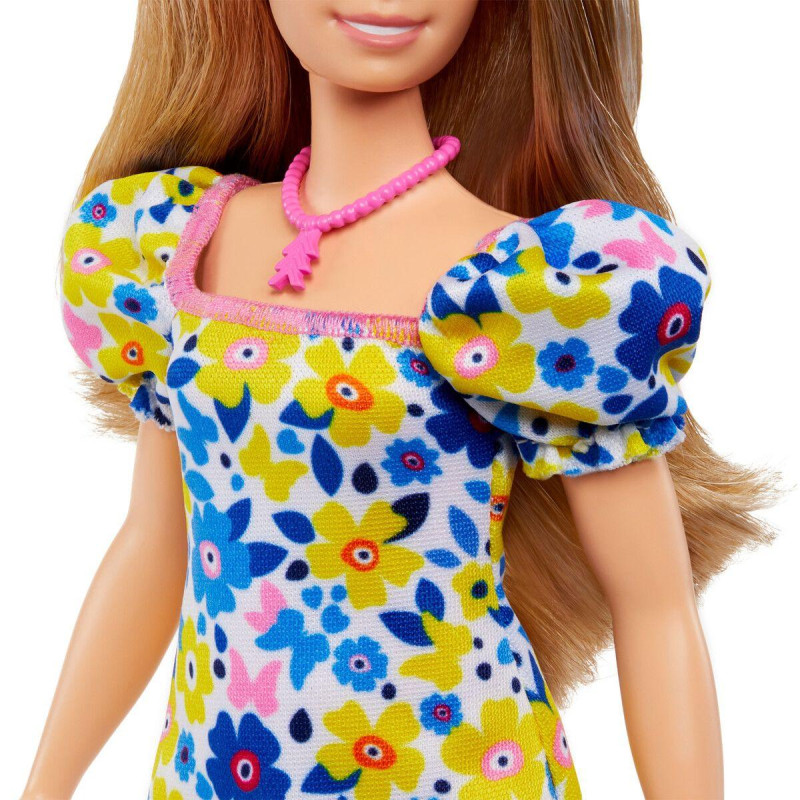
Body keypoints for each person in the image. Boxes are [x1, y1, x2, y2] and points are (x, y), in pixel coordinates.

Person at [24, 2, 777, 798]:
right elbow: (153, 545)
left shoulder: (532, 292)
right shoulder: (176, 250)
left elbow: (655, 608)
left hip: (456, 767)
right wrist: (45, 784)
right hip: (223, 766)